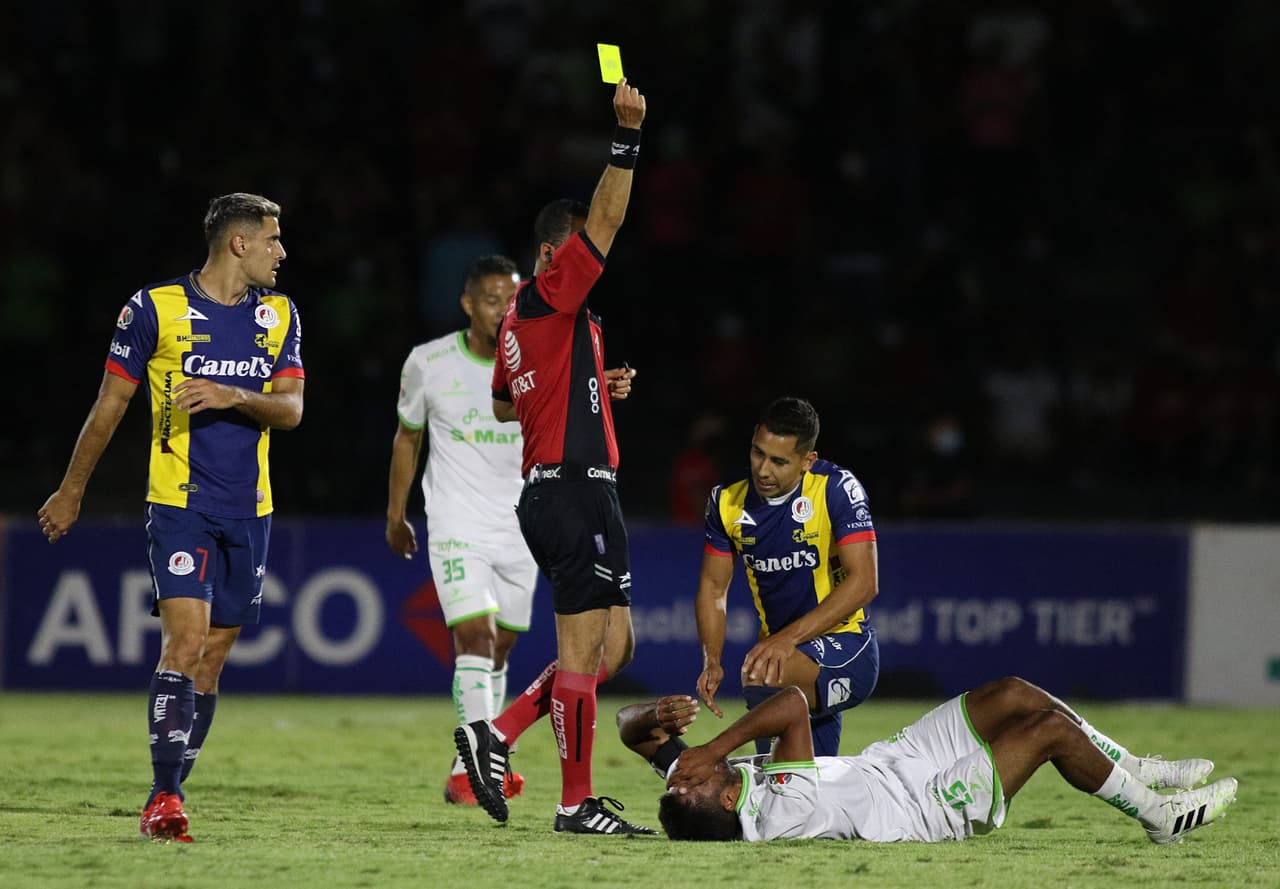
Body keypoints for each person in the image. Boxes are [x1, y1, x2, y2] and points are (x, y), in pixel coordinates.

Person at [37, 193, 304, 843]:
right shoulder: (154, 308)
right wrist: (72, 491)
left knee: (211, 659)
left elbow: (291, 407)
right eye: (272, 239)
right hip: (180, 503)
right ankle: (164, 796)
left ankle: (172, 779)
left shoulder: (280, 314)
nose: (282, 251)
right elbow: (109, 406)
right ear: (238, 243)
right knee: (184, 643)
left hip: (252, 509)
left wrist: (233, 394)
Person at [453, 77, 650, 836]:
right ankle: (574, 804)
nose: (590, 255)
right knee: (580, 653)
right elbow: (606, 215)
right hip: (571, 491)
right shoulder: (547, 294)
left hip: (570, 488)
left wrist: (594, 384)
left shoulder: (527, 325)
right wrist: (626, 138)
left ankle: (497, 732)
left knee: (612, 645)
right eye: (575, 249)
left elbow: (508, 400)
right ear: (548, 252)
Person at [617, 678, 1236, 845]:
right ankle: (1158, 813)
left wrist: (654, 719)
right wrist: (714, 747)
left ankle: (1139, 766)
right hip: (926, 806)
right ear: (727, 799)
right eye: (688, 785)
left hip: (899, 760)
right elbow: (793, 706)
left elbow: (626, 729)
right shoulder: (784, 810)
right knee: (1045, 729)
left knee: (1014, 693)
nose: (683, 778)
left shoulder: (707, 794)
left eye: (676, 782)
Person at [385, 254, 533, 805]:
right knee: (475, 639)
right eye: (492, 301)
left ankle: (465, 763)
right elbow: (408, 438)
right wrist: (396, 514)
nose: (502, 311)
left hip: (523, 525)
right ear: (469, 304)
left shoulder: (536, 361)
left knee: (502, 651)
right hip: (456, 522)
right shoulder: (429, 362)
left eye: (511, 301)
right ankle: (479, 767)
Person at [695, 396, 879, 757]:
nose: (764, 470)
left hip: (848, 646)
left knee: (764, 672)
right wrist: (712, 659)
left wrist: (785, 640)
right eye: (758, 453)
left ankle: (718, 757)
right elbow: (713, 586)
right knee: (802, 793)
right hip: (790, 657)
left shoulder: (835, 488)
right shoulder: (726, 502)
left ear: (807, 460)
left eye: (779, 461)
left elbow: (864, 582)